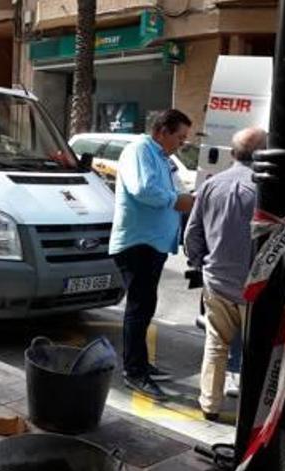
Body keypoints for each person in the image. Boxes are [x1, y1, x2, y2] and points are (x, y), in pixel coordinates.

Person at [109, 109, 195, 400]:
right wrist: (178, 201)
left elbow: (168, 188)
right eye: (179, 137)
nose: (181, 143)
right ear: (162, 131)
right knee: (138, 307)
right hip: (138, 242)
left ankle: (141, 363)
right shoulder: (139, 150)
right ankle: (134, 373)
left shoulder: (160, 156)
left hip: (153, 243)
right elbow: (143, 189)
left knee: (145, 307)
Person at [185, 127, 267, 421]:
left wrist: (200, 264)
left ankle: (210, 405)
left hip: (217, 281)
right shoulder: (267, 190)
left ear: (233, 154)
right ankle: (253, 411)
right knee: (258, 350)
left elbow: (192, 233)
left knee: (216, 344)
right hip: (255, 287)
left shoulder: (211, 185)